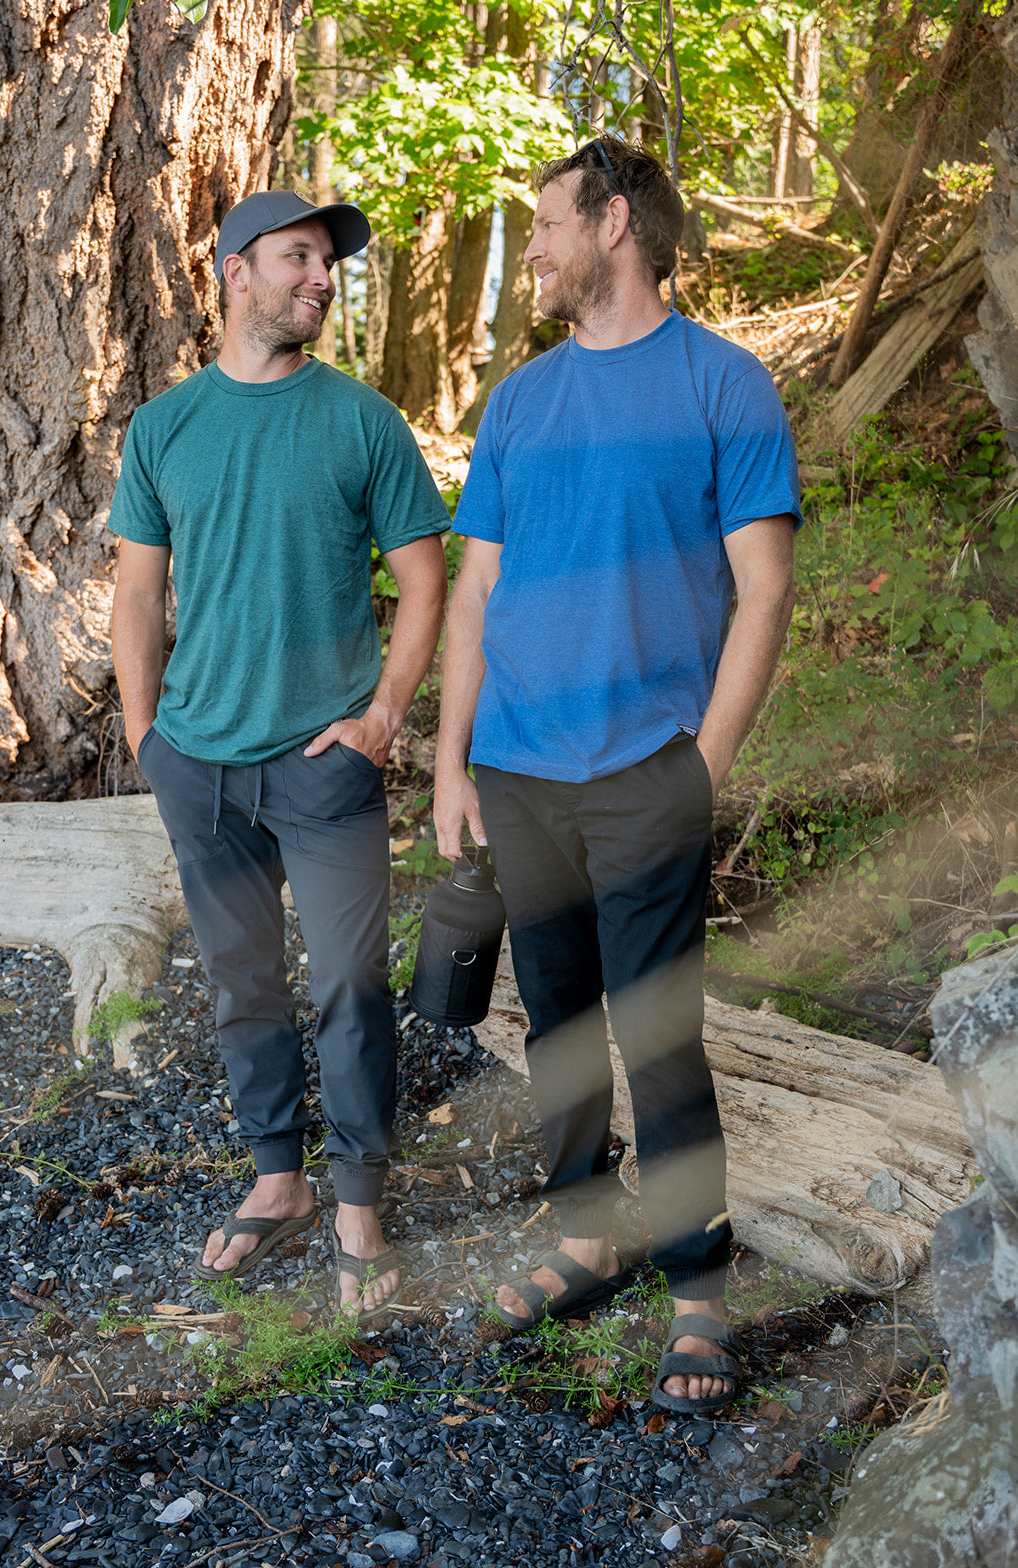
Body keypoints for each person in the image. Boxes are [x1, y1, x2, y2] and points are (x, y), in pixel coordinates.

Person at [434, 135, 801, 1413]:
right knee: (557, 1024)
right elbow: (476, 592)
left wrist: (700, 768)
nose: (529, 249)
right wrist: (450, 763)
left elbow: (763, 592)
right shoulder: (523, 401)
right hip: (519, 768)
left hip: (648, 769)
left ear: (613, 225)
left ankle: (698, 1287)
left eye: (544, 224)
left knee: (659, 1037)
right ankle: (585, 1237)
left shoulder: (724, 386)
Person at [110, 189, 450, 1321]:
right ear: (233, 272)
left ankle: (357, 1199)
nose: (320, 277)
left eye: (329, 263)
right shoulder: (163, 428)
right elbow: (137, 594)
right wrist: (146, 737)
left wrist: (382, 716)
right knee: (241, 984)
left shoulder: (362, 421)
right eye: (297, 257)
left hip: (324, 764)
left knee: (352, 984)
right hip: (197, 762)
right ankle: (279, 1177)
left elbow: (422, 581)